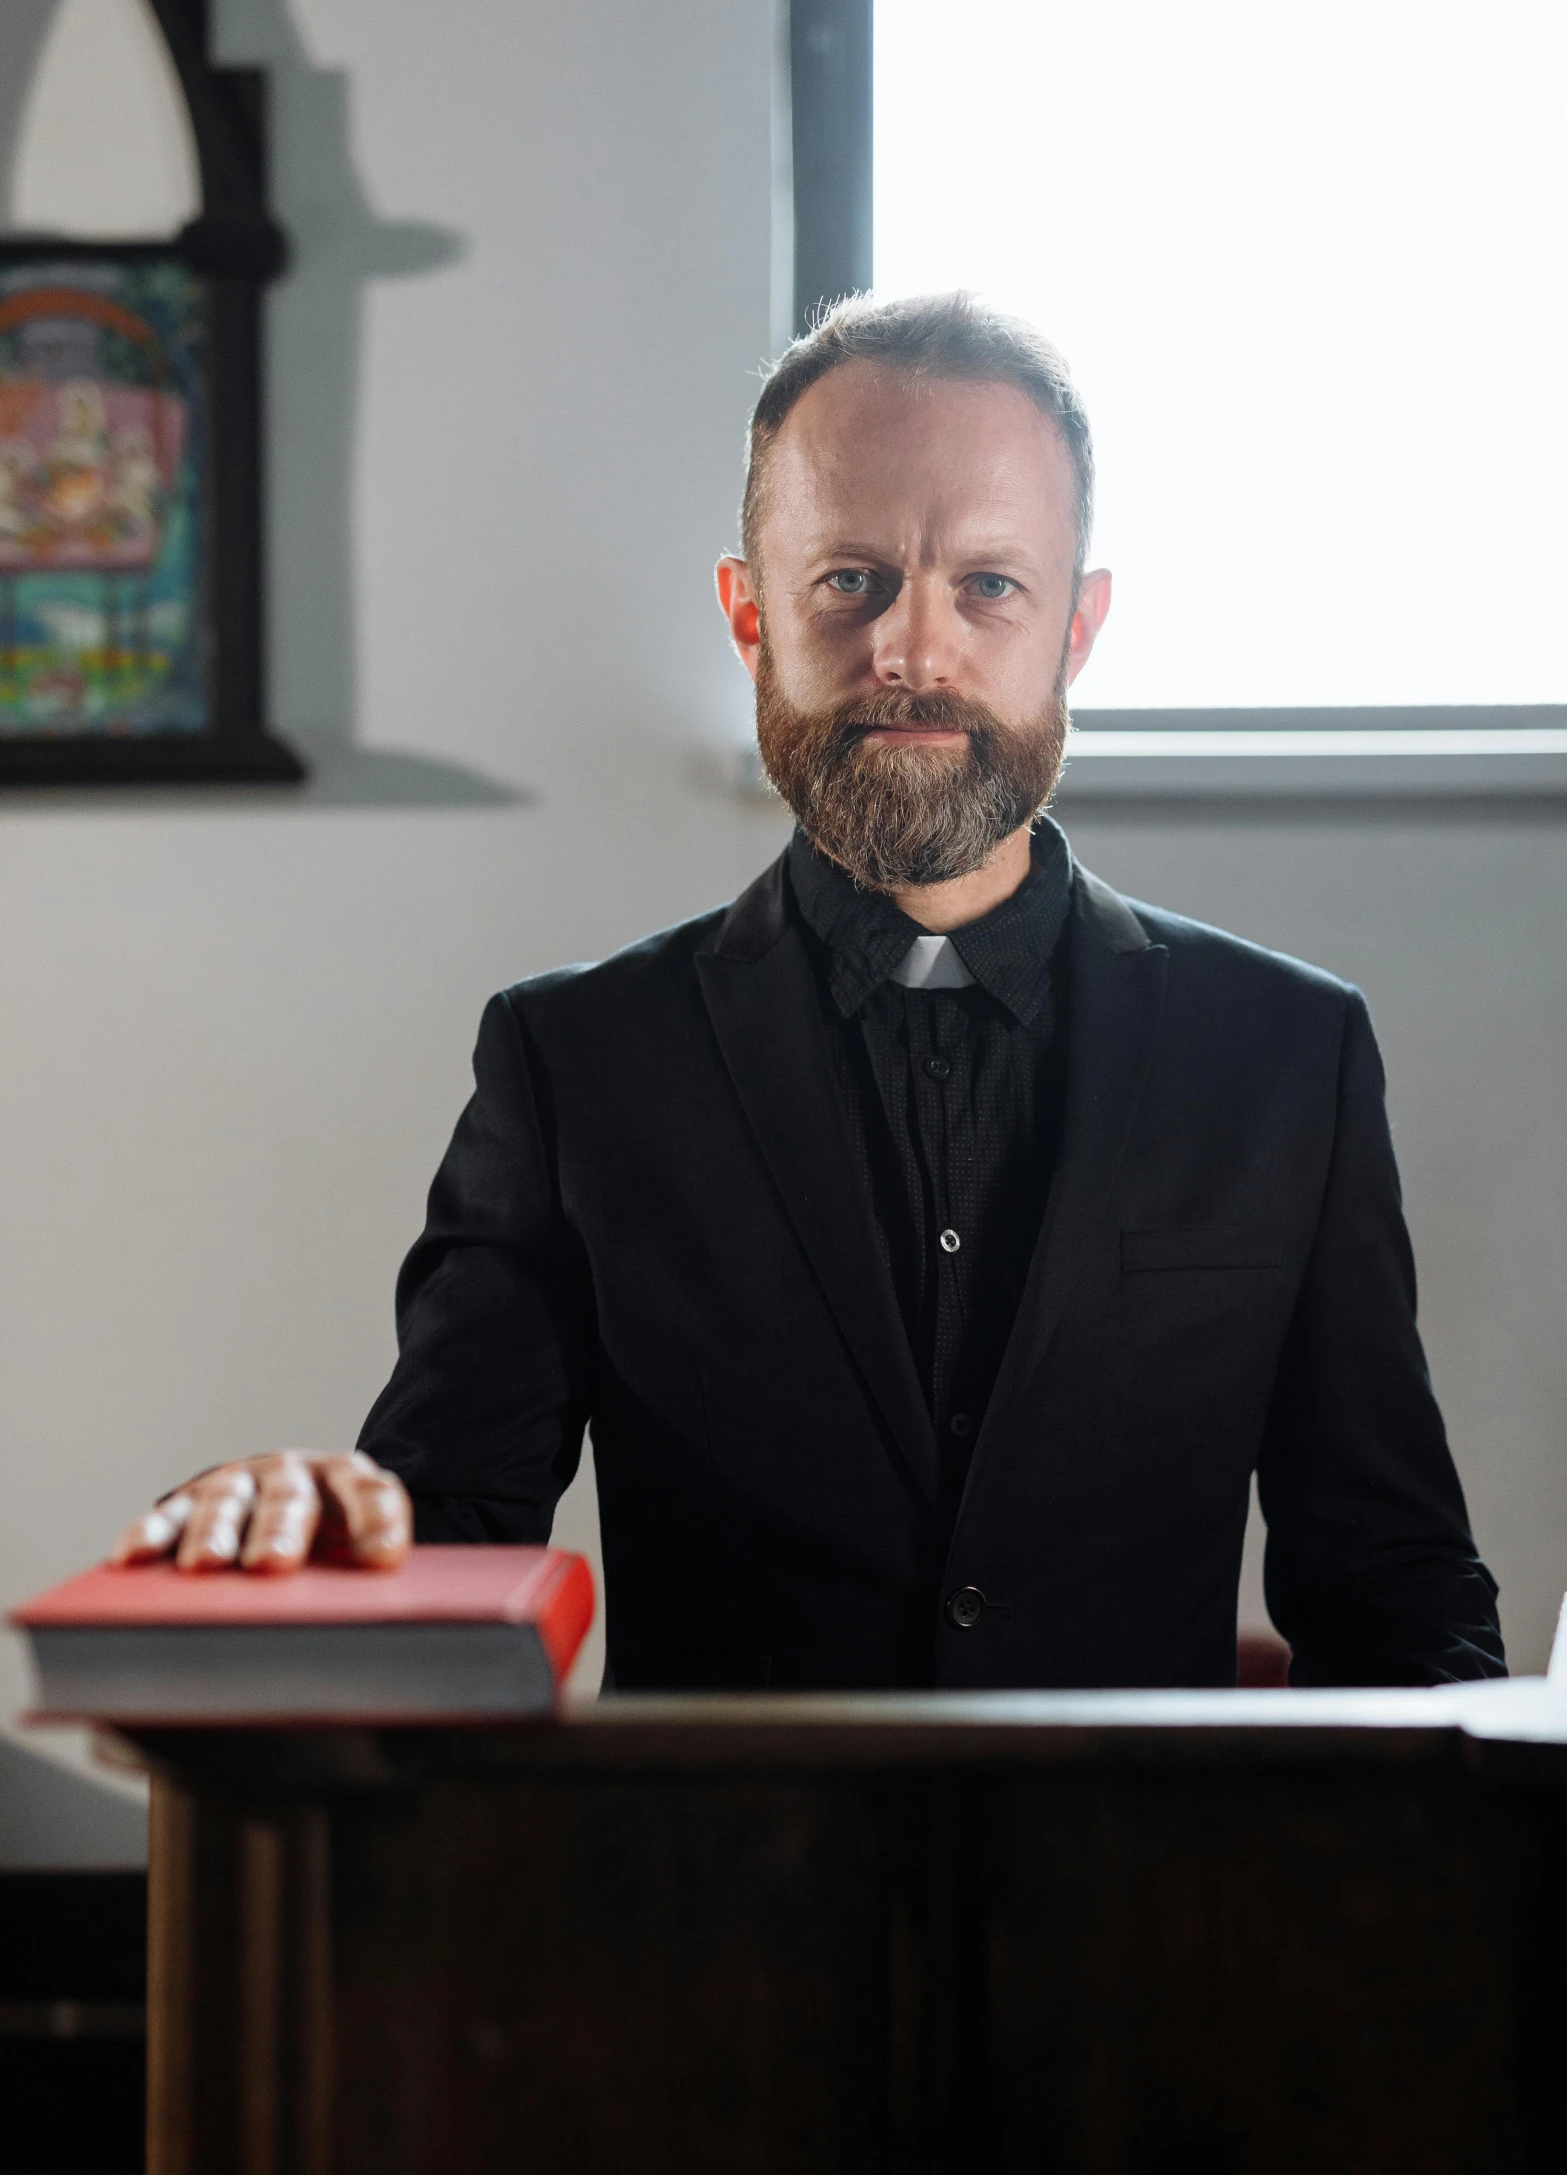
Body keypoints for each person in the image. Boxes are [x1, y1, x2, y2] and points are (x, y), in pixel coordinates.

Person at [116, 293, 1505, 1690]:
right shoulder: (571, 1061)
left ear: (1076, 628)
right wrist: (289, 1538)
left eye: (989, 584)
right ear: (747, 613)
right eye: (849, 579)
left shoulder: (1284, 1054)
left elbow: (1389, 1580)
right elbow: (450, 1535)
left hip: (1136, 1893)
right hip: (728, 1890)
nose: (913, 649)